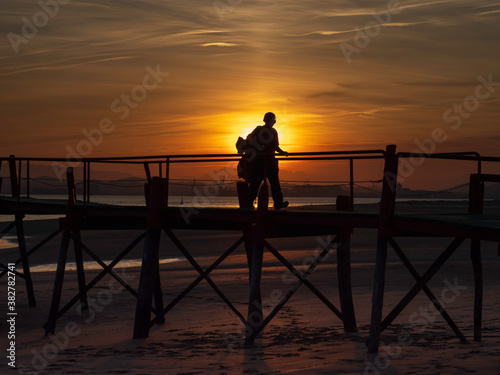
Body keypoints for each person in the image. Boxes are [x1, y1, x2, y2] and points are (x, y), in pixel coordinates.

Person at [244, 112, 289, 209]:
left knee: (274, 182)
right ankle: (249, 203)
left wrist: (282, 152)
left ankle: (278, 203)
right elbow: (250, 140)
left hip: (270, 160)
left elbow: (276, 146)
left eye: (273, 120)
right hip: (260, 160)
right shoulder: (259, 129)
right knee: (256, 183)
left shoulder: (273, 132)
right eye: (271, 119)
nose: (273, 121)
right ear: (266, 120)